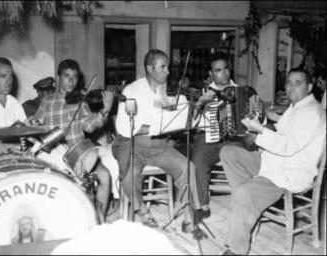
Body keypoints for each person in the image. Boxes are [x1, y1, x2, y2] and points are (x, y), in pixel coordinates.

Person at [219, 68, 326, 255]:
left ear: (309, 87)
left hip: (288, 173)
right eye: (288, 83)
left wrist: (259, 130)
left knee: (244, 191)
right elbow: (281, 129)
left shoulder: (312, 112)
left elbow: (288, 145)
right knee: (228, 153)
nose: (291, 87)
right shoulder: (297, 107)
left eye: (297, 83)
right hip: (273, 163)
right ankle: (248, 209)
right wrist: (263, 119)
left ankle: (236, 248)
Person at [112, 49, 202, 232]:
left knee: (188, 168)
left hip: (159, 144)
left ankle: (187, 215)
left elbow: (182, 120)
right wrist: (150, 125)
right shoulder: (132, 90)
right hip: (132, 144)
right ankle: (143, 211)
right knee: (129, 173)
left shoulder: (168, 91)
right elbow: (123, 125)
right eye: (163, 67)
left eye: (167, 67)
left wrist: (195, 109)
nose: (168, 71)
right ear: (149, 68)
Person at [32, 59, 114, 223]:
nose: (71, 81)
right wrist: (33, 125)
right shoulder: (47, 101)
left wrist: (105, 110)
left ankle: (101, 219)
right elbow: (37, 125)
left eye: (75, 77)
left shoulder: (80, 101)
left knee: (104, 176)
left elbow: (89, 126)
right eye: (67, 76)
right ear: (59, 78)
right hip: (55, 155)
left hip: (79, 153)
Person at [189, 53, 249, 221]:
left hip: (232, 139)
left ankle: (243, 203)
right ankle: (202, 206)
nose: (224, 73)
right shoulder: (203, 92)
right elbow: (191, 123)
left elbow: (252, 120)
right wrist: (200, 104)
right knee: (197, 162)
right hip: (206, 137)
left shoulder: (241, 91)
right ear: (211, 74)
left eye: (225, 69)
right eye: (218, 70)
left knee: (242, 159)